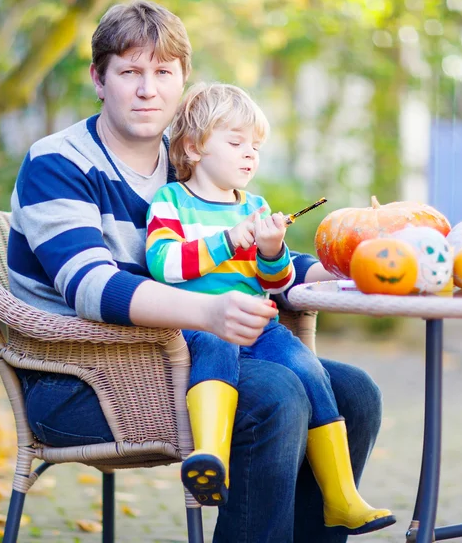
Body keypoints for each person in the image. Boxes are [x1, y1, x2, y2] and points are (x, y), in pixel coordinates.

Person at [7, 0, 394, 542]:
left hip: (181, 359)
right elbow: (92, 288)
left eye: (163, 73)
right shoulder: (60, 163)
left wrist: (340, 271)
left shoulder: (188, 157)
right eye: (129, 72)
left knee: (355, 392)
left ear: (182, 78)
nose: (148, 90)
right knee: (277, 395)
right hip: (79, 380)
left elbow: (247, 246)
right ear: (98, 78)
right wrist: (210, 311)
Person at [145, 81, 395, 534]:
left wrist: (272, 250)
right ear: (194, 147)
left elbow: (275, 284)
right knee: (216, 351)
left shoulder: (256, 207)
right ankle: (211, 463)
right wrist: (226, 241)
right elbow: (163, 265)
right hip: (201, 324)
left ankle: (340, 495)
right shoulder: (172, 202)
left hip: (261, 327)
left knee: (310, 370)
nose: (250, 155)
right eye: (236, 142)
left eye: (256, 146)